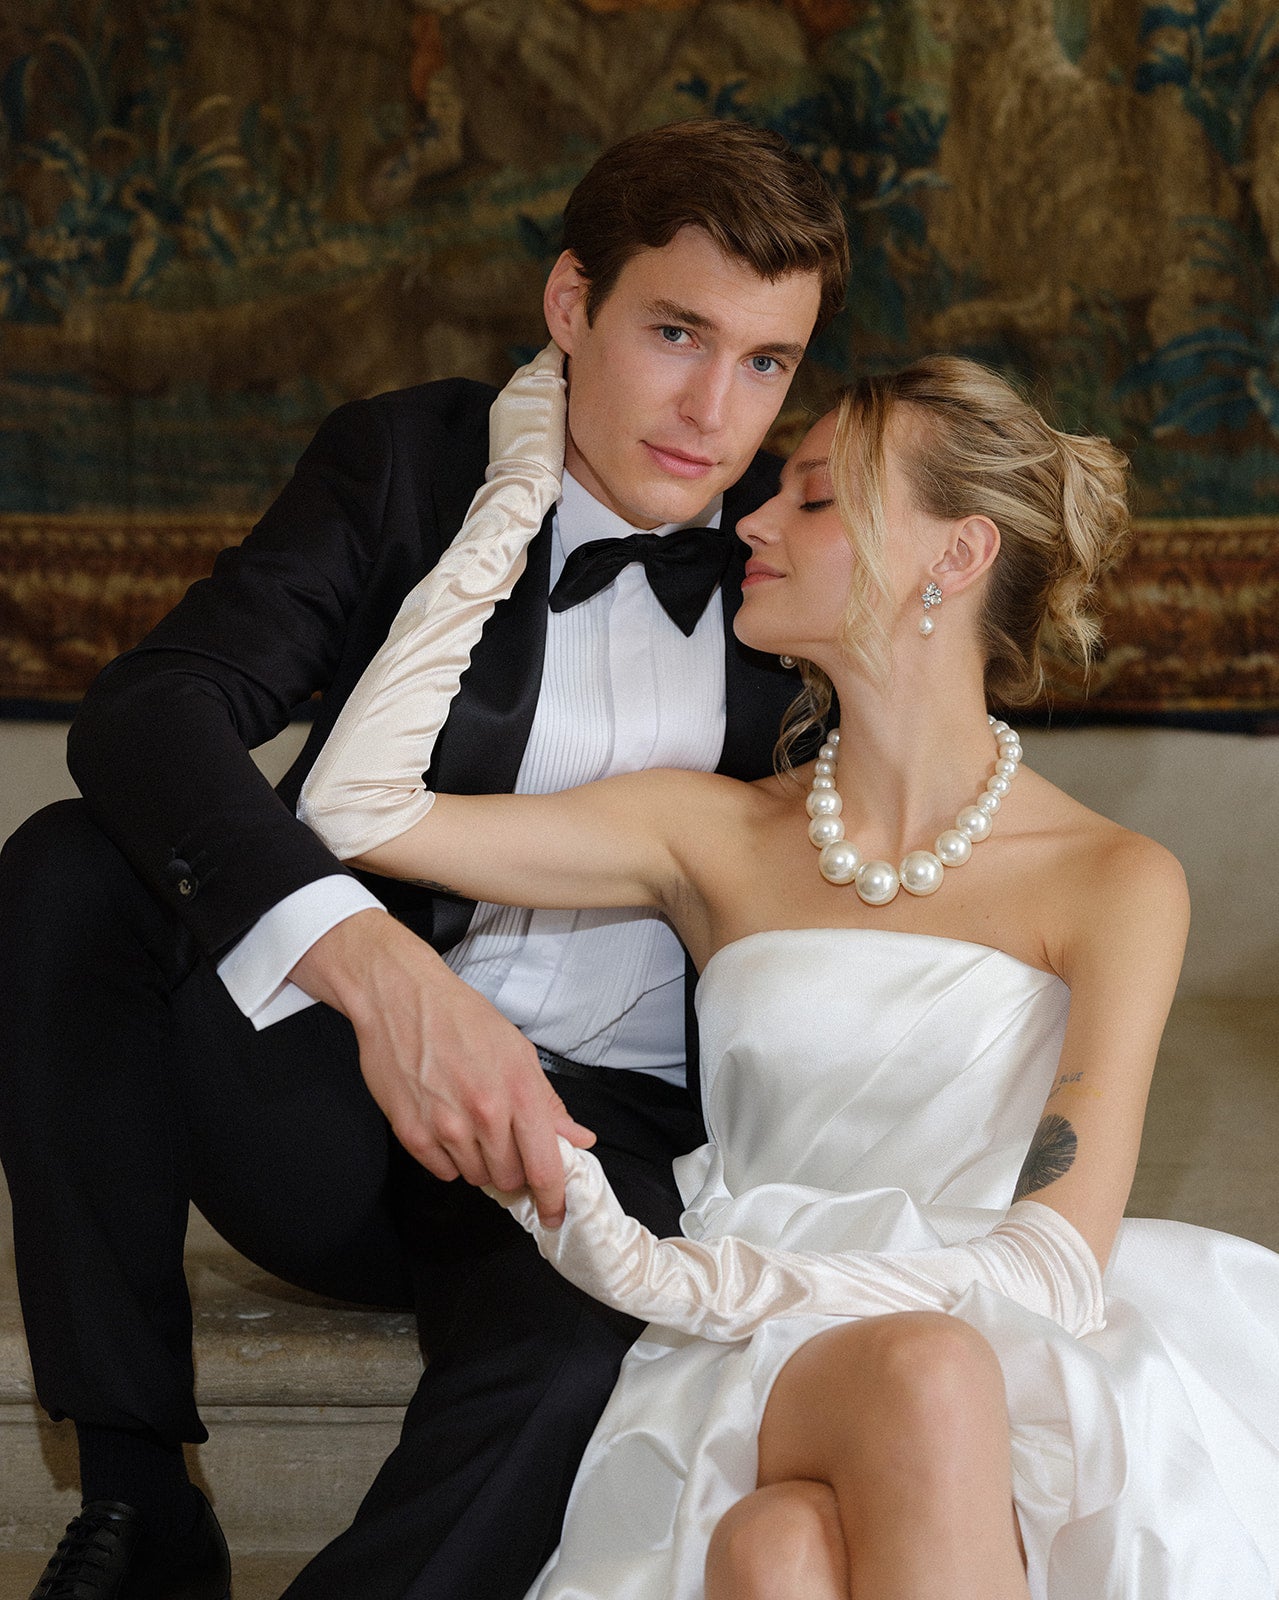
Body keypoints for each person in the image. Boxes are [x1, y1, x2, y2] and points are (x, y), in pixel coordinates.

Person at [0, 121, 850, 1600]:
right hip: (338, 1099)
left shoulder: (796, 543)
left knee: (565, 1368)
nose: (715, 410)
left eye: (765, 362)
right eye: (673, 333)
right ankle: (139, 1502)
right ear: (569, 305)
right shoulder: (408, 463)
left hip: (615, 1138)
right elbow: (152, 714)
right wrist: (372, 964)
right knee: (71, 871)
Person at [298, 352, 1279, 1598]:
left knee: (782, 1554)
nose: (752, 516)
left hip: (969, 1331)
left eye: (814, 497)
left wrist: (685, 1273)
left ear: (957, 555)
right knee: (917, 1381)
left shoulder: (1116, 878)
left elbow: (1051, 1263)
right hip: (752, 1351)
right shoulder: (711, 834)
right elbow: (352, 804)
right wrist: (515, 498)